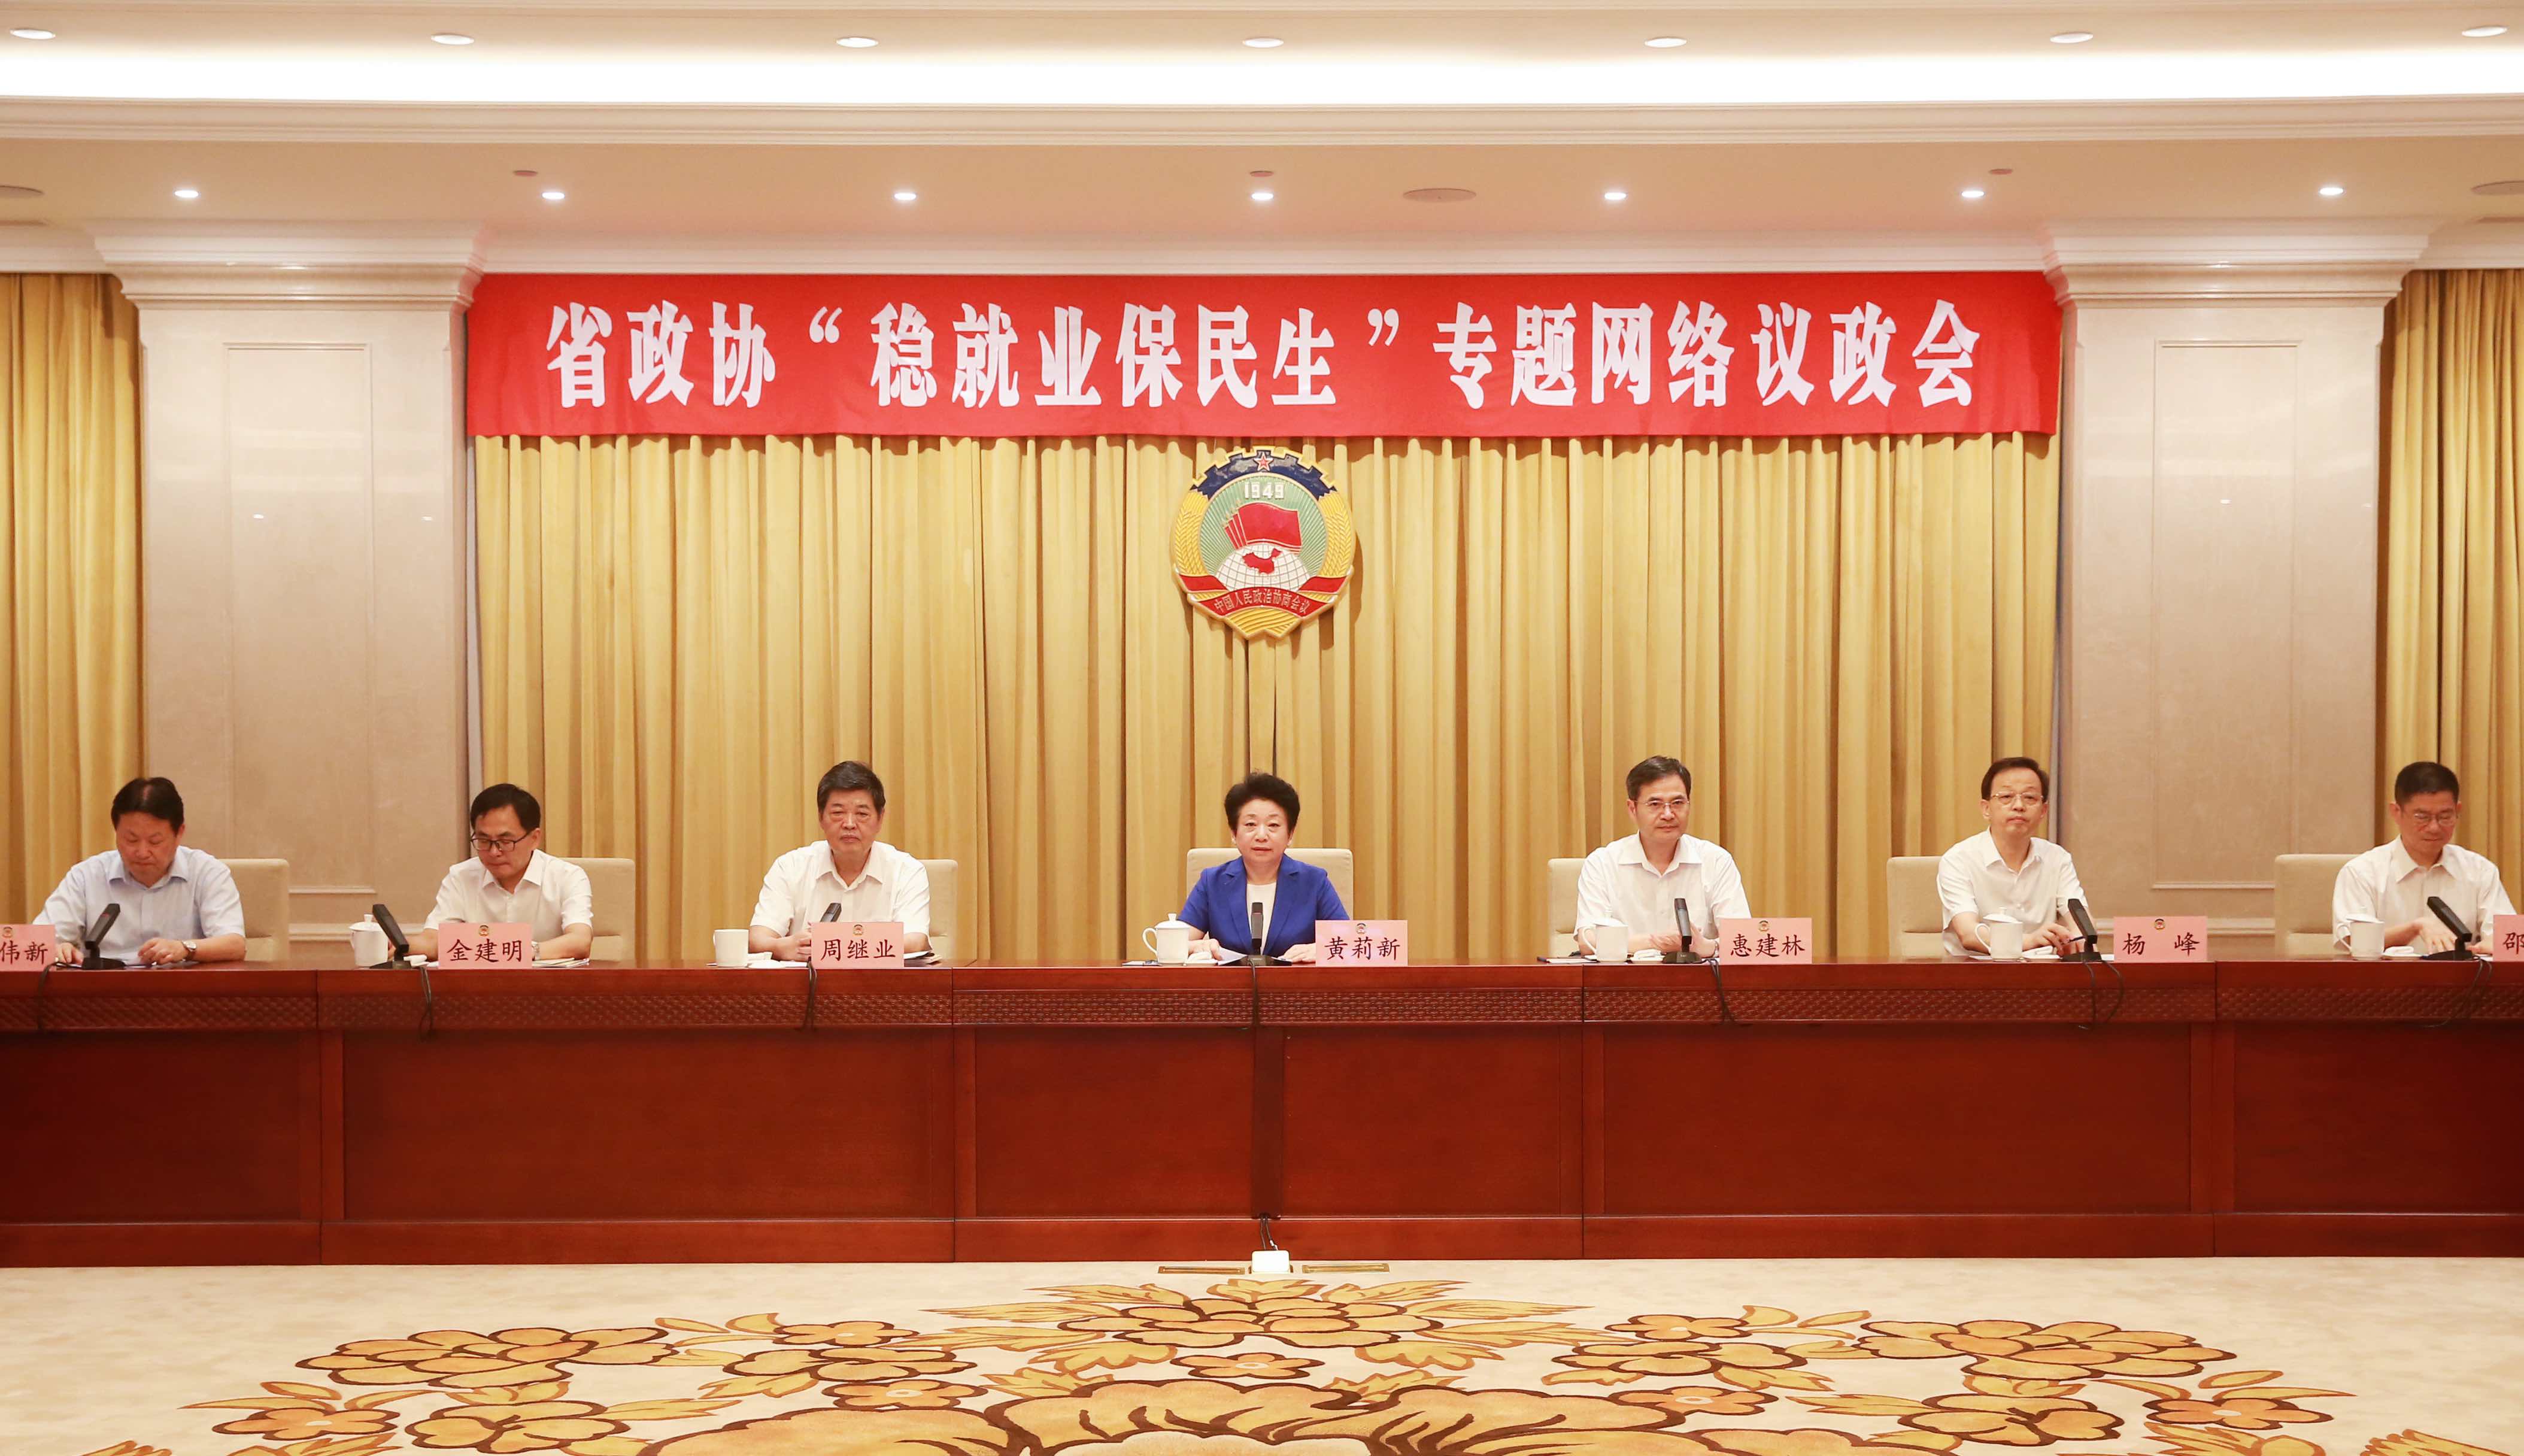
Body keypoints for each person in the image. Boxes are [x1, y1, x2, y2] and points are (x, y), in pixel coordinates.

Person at [40, 776, 247, 966]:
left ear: (179, 833)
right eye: (131, 840)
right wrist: (58, 949)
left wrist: (184, 948)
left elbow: (235, 945)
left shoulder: (207, 873)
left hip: (183, 988)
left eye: (155, 841)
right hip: (104, 989)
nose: (142, 852)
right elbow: (37, 943)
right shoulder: (87, 876)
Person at [750, 760, 931, 958]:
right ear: (821, 817)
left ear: (880, 819)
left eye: (862, 814)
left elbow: (915, 942)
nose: (850, 824)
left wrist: (836, 945)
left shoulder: (906, 870)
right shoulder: (790, 867)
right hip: (808, 979)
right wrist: (782, 947)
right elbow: (757, 939)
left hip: (880, 979)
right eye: (838, 813)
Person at [1573, 756, 1748, 957]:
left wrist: (1706, 947)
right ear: (1632, 809)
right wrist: (1657, 942)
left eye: (1677, 803)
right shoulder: (1603, 863)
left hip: (1696, 975)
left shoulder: (1716, 861)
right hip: (1625, 976)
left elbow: (1741, 939)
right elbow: (1588, 941)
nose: (1668, 814)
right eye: (1655, 804)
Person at [2332, 761, 2514, 953]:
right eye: (2422, 817)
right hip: (2389, 973)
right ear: (2396, 812)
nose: (2434, 827)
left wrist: (2496, 945)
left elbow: (2510, 939)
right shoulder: (2362, 872)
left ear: (2458, 811)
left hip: (2461, 972)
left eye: (2445, 817)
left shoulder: (2480, 870)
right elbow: (2354, 942)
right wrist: (2415, 928)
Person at [412, 784, 594, 961]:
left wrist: (518, 952)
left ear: (534, 838)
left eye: (506, 842)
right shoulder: (461, 877)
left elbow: (580, 941)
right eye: (484, 840)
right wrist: (400, 945)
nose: (494, 852)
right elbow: (433, 941)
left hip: (547, 981)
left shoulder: (567, 877)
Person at [1182, 772, 1346, 962]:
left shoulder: (1314, 882)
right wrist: (1196, 946)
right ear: (1234, 833)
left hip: (1295, 982)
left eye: (1273, 825)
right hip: (1231, 982)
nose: (1261, 835)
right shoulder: (1212, 882)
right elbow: (1174, 945)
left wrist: (1321, 949)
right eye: (1250, 824)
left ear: (1290, 835)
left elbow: (1349, 943)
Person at [1937, 756, 2087, 957]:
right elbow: (1969, 934)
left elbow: (2081, 921)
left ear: (2043, 810)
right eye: (2006, 796)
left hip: (2042, 971)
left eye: (2030, 798)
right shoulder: (1959, 860)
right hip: (1973, 971)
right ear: (1986, 809)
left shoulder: (2057, 858)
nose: (2019, 806)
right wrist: (2029, 941)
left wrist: (2079, 941)